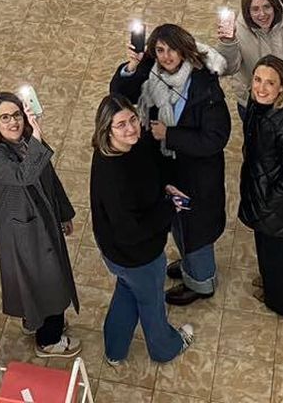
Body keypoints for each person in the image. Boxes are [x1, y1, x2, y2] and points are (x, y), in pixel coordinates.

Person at [110, 23, 230, 305]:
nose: (166, 57)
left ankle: (202, 283)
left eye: (172, 49)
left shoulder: (205, 87)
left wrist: (170, 135)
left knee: (196, 230)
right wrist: (132, 64)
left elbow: (215, 138)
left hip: (197, 176)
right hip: (166, 168)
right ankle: (190, 265)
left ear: (184, 49)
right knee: (176, 220)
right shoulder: (151, 73)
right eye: (160, 50)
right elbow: (119, 96)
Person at [88, 95, 195, 366]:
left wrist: (165, 187)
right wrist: (170, 208)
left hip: (118, 254)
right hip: (137, 255)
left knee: (127, 291)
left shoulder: (123, 147)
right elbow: (131, 231)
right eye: (121, 124)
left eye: (133, 119)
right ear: (106, 130)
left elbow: (150, 171)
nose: (131, 128)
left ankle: (115, 351)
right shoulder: (115, 178)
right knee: (151, 303)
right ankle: (165, 348)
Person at [0, 91, 80, 358]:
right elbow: (23, 175)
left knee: (36, 281)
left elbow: (49, 177)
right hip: (20, 232)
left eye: (17, 115)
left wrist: (64, 213)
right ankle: (49, 339)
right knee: (48, 281)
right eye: (5, 118)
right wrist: (36, 137)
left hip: (40, 223)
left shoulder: (27, 142)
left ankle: (33, 319)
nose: (13, 122)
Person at [238, 57, 283, 317]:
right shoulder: (259, 110)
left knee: (278, 254)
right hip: (261, 196)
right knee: (265, 247)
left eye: (270, 83)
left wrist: (269, 202)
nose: (261, 88)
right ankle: (270, 283)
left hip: (273, 204)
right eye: (257, 80)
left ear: (282, 88)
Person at [214, 0, 283, 111]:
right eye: (255, 9)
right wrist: (228, 43)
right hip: (252, 103)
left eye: (267, 7)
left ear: (275, 6)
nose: (262, 14)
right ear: (247, 12)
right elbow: (227, 68)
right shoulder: (238, 33)